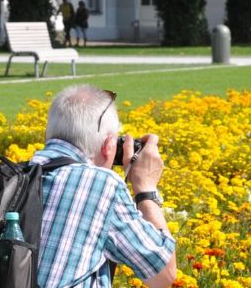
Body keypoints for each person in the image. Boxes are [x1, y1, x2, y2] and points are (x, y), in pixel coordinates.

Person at [30, 85, 176, 288]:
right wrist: (145, 188)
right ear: (109, 146)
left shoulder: (9, 176)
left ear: (48, 134)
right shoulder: (101, 185)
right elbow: (164, 275)